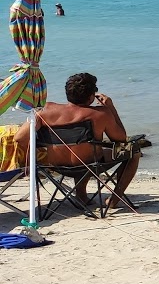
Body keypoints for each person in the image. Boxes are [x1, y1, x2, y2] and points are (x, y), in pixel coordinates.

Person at [35, 72, 143, 211]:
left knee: (80, 149)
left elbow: (20, 137)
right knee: (134, 152)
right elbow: (121, 139)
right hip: (89, 165)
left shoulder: (45, 110)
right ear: (91, 96)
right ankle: (113, 200)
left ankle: (81, 195)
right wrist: (111, 108)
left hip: (57, 166)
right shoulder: (100, 113)